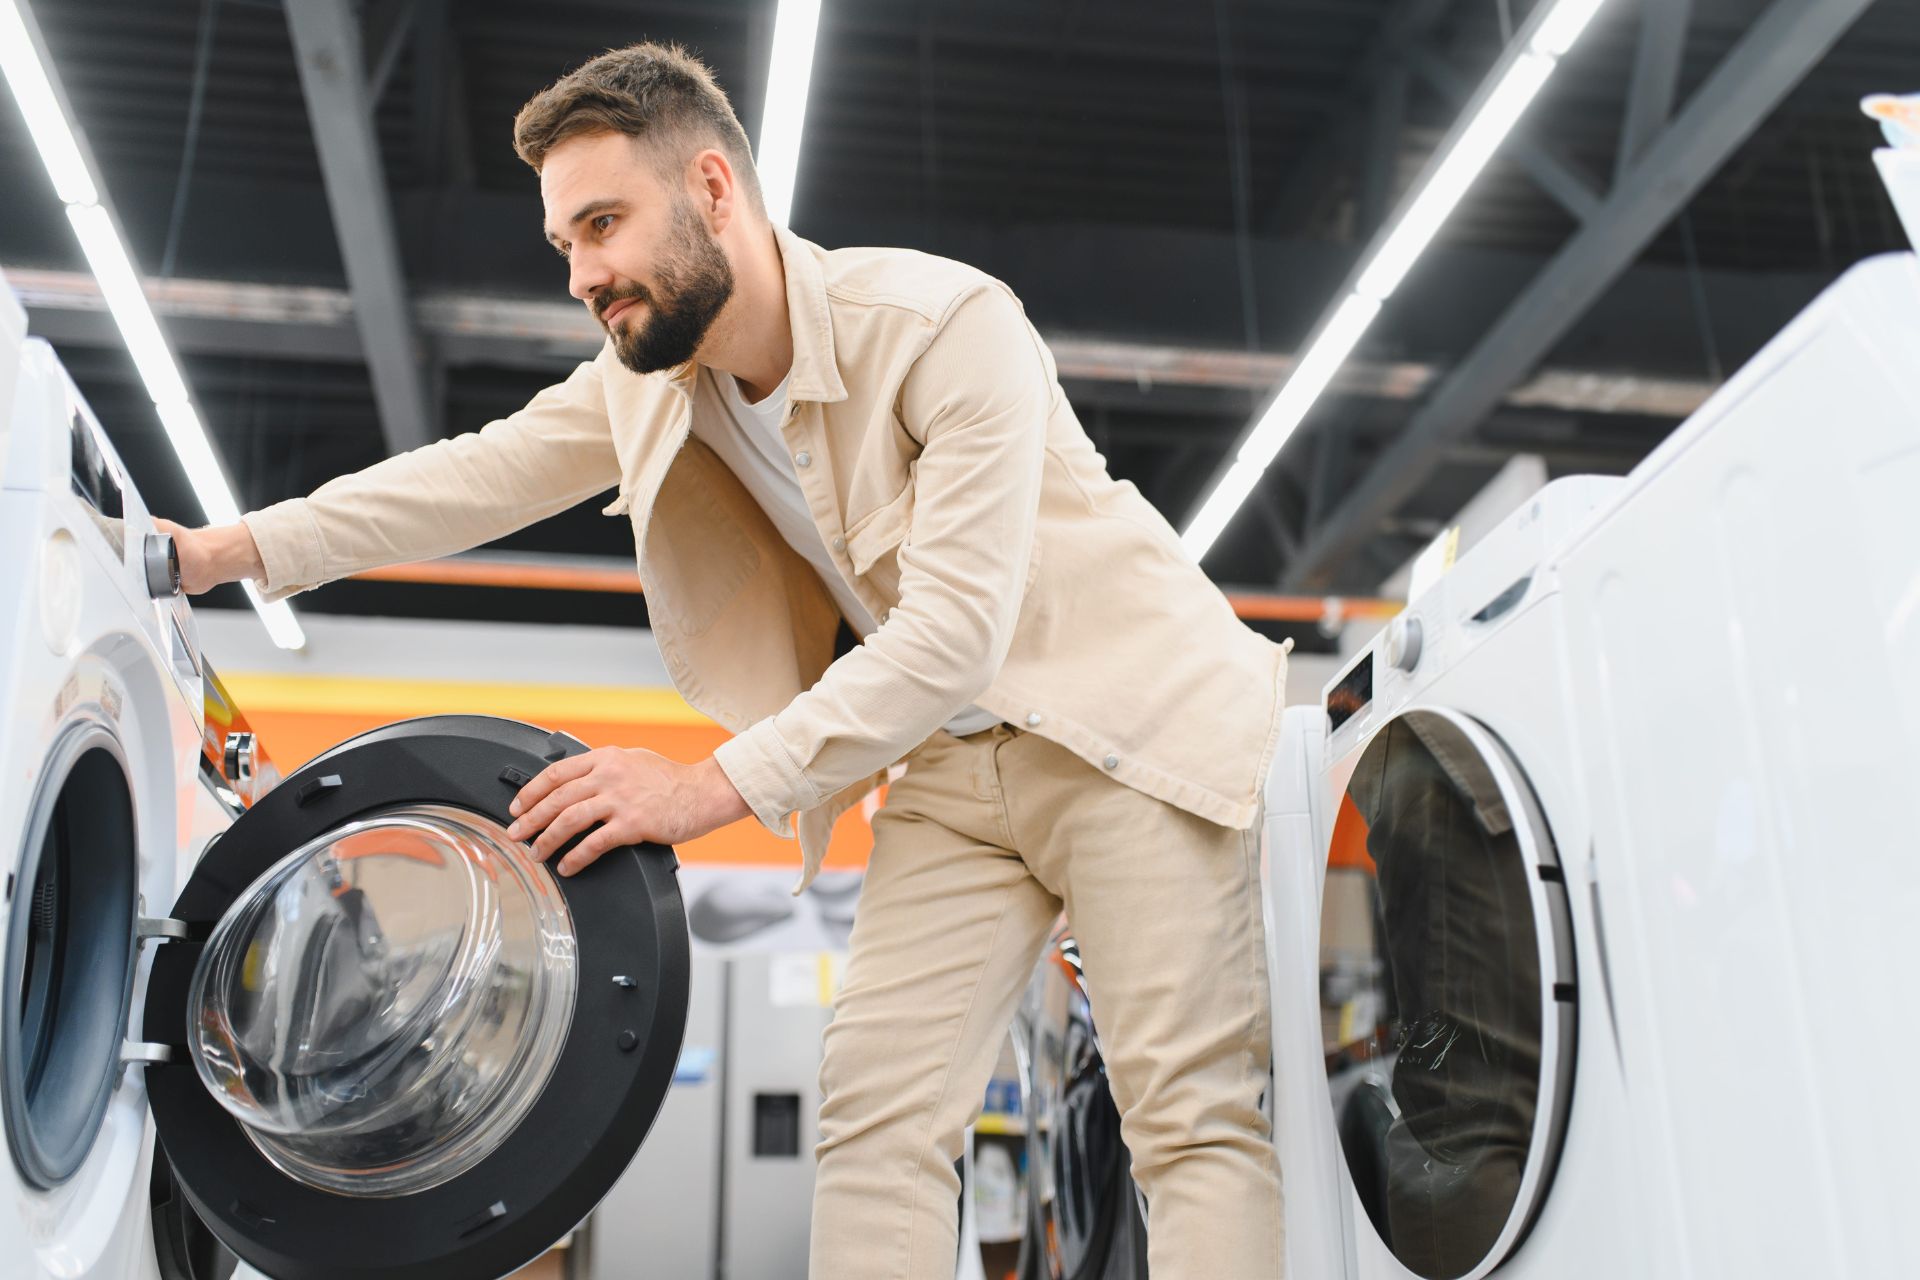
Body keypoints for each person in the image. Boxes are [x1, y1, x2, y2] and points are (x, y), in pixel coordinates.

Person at [164, 42, 1289, 1279]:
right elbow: (469, 475)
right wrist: (233, 548)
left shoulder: (945, 326)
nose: (586, 274)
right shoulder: (653, 383)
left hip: (1123, 723)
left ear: (712, 189)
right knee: (874, 1114)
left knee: (1186, 1119)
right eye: (565, 246)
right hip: (954, 769)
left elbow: (954, 631)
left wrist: (701, 786)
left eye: (604, 223)